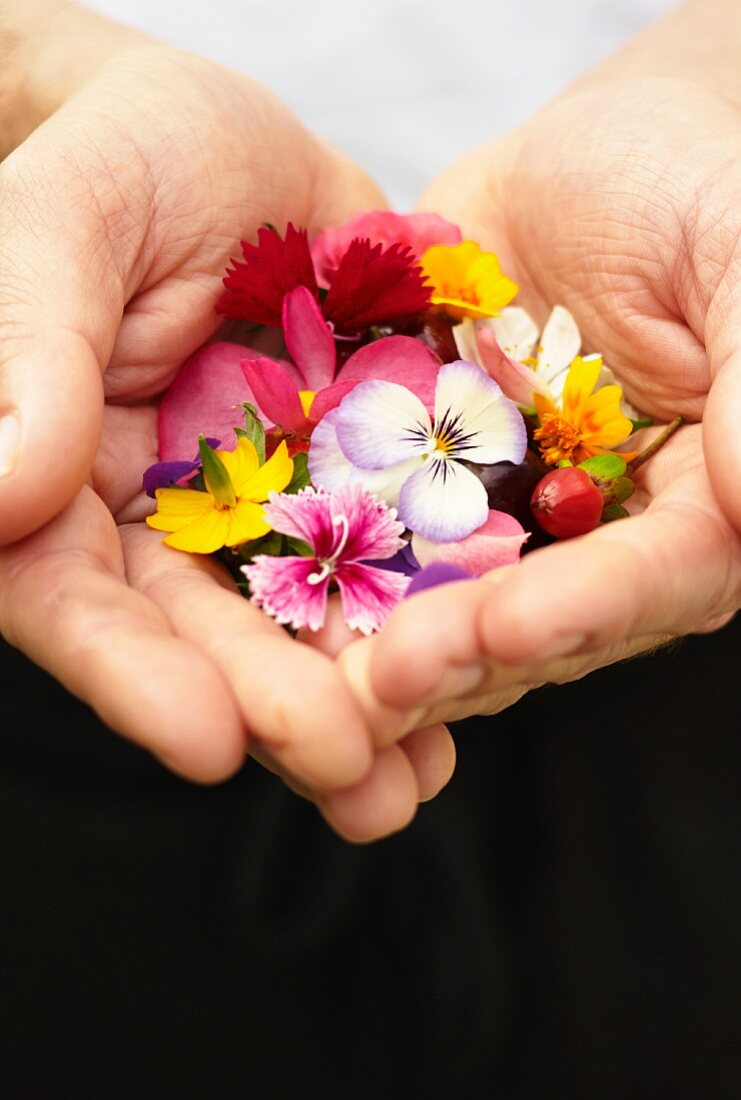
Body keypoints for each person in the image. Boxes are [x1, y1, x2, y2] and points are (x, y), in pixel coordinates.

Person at [0, 0, 737, 843]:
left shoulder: (438, 407)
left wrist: (708, 74)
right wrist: (40, 76)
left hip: (655, 705)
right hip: (88, 680)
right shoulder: (354, 424)